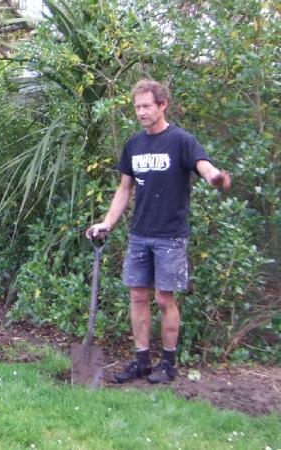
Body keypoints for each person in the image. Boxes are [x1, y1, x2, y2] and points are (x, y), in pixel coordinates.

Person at [86, 79, 232, 384]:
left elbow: (204, 167)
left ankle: (168, 363)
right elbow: (124, 189)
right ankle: (141, 361)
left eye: (147, 106)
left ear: (162, 105)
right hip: (140, 233)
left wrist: (215, 177)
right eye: (137, 107)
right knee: (138, 296)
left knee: (164, 299)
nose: (141, 112)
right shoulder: (134, 145)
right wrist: (107, 222)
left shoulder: (181, 141)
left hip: (170, 235)